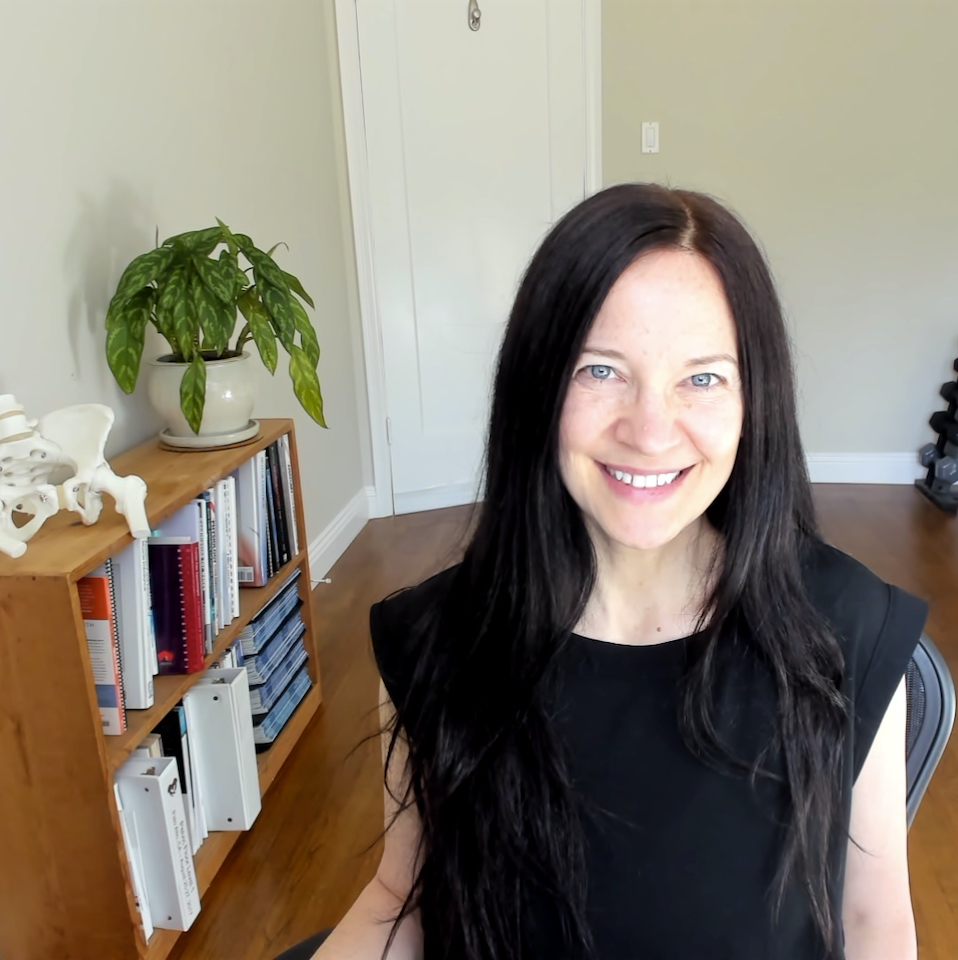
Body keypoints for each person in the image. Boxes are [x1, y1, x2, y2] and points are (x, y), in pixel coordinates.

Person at [317, 183, 927, 960]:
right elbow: (403, 900)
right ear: (538, 385)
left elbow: (877, 923)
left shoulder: (847, 629)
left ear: (753, 402)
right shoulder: (434, 639)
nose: (648, 430)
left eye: (702, 378)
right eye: (600, 370)